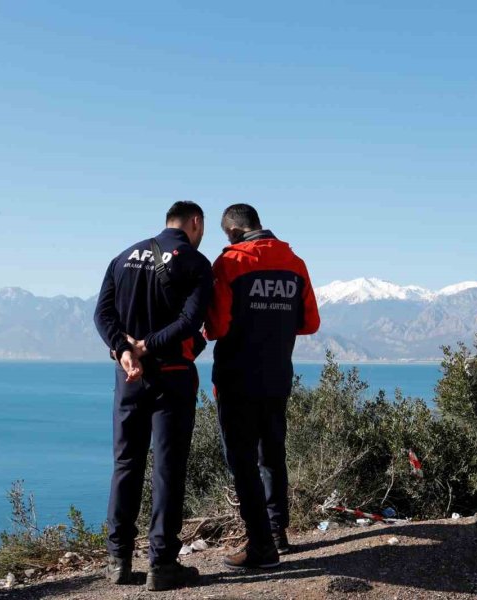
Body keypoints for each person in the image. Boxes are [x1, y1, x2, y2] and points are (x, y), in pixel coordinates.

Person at [93, 201, 214, 591]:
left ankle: (118, 561)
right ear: (195, 223)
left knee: (125, 463)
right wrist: (149, 344)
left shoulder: (123, 257)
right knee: (167, 468)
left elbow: (102, 314)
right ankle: (162, 564)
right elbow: (190, 322)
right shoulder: (195, 263)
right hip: (172, 379)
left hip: (129, 378)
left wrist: (124, 349)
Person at [204, 203, 320, 569]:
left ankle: (259, 546)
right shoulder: (295, 263)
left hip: (237, 377)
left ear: (235, 232)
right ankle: (276, 533)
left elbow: (217, 328)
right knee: (272, 455)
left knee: (241, 460)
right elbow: (310, 323)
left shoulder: (230, 263)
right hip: (276, 377)